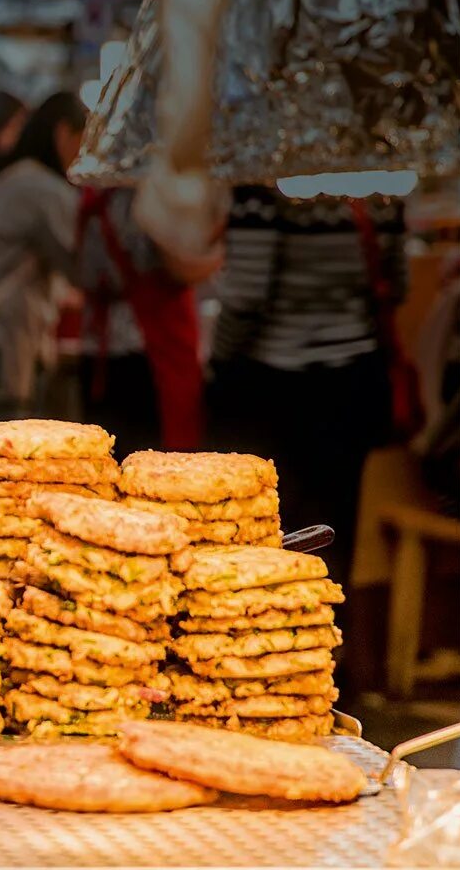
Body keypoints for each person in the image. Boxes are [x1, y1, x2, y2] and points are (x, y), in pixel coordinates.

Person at [208, 186, 408, 583]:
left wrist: (219, 358)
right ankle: (330, 631)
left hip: (274, 386)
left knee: (269, 526)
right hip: (356, 381)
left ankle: (278, 632)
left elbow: (246, 296)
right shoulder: (381, 187)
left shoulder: (264, 190)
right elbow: (397, 284)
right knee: (337, 527)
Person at [0, 91, 87, 423]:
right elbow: (82, 263)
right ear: (62, 132)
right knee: (4, 453)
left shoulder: (13, 176)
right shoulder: (40, 187)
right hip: (8, 341)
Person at [74, 186, 220, 452]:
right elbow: (178, 267)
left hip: (99, 347)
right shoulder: (148, 199)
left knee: (106, 458)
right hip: (145, 348)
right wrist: (220, 255)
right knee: (152, 463)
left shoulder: (94, 194)